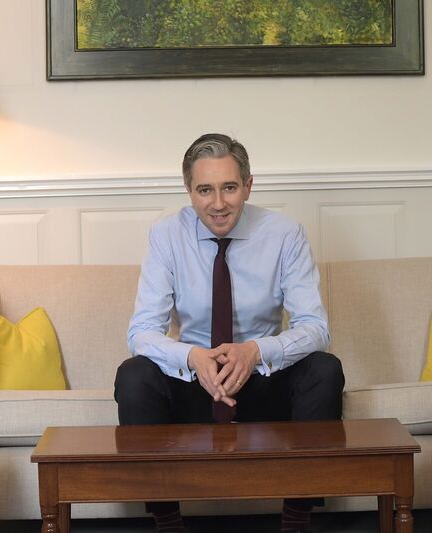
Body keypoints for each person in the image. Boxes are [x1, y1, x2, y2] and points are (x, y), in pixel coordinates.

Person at [115, 133, 344, 533]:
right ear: (189, 190)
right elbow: (141, 332)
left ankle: (296, 520)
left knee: (325, 369)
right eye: (205, 190)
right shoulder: (166, 236)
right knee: (133, 375)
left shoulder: (285, 234)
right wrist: (192, 358)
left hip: (261, 383)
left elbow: (316, 328)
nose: (218, 204)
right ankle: (167, 521)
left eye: (229, 188)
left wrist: (256, 351)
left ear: (248, 186)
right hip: (195, 386)